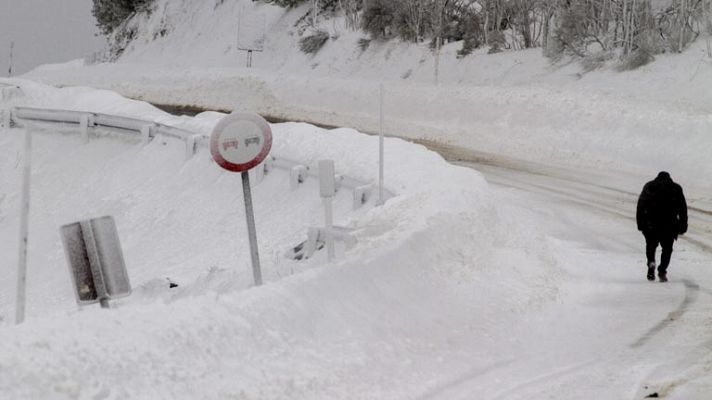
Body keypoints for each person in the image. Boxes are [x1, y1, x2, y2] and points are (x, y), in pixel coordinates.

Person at [636, 171, 688, 282]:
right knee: (667, 249)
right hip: (669, 225)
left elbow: (640, 206)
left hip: (651, 224)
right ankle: (662, 270)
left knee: (651, 246)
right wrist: (683, 225)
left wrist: (640, 223)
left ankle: (651, 263)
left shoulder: (649, 186)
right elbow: (683, 209)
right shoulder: (675, 188)